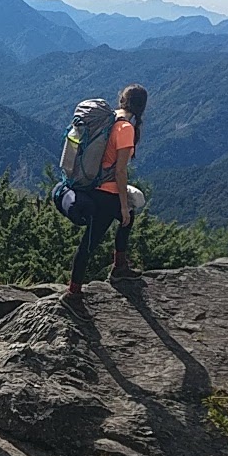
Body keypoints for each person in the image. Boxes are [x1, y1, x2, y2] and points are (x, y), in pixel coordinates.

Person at [66, 84, 147, 299]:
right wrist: (122, 205)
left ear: (122, 100)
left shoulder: (109, 119)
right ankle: (73, 294)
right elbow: (120, 171)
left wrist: (125, 208)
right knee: (90, 243)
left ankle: (119, 266)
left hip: (94, 185)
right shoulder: (126, 128)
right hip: (107, 194)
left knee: (127, 219)